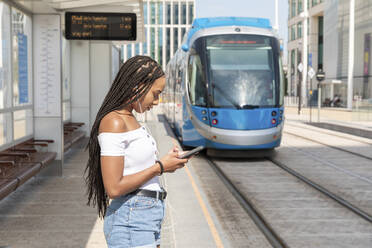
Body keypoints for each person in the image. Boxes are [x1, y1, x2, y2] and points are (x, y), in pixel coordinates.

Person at [85, 55, 189, 248]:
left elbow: (136, 167)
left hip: (146, 216)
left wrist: (166, 163)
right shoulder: (114, 122)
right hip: (132, 217)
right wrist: (159, 167)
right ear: (137, 87)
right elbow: (114, 188)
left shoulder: (130, 118)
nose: (157, 101)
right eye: (155, 94)